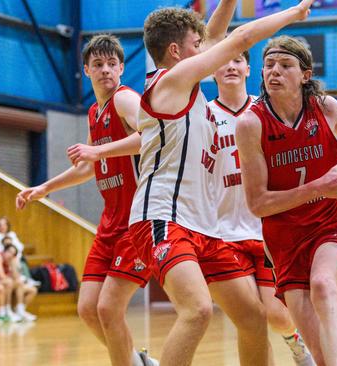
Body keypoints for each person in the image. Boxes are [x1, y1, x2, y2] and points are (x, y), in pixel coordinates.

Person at [129, 2, 314, 365]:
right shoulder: (169, 83)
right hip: (163, 217)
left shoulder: (187, 85)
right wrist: (294, 13)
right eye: (197, 45)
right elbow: (238, 38)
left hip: (205, 228)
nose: (207, 50)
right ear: (176, 52)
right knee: (197, 310)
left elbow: (214, 35)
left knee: (253, 319)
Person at [16, 34, 157, 366]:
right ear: (86, 71)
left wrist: (97, 150)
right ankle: (138, 362)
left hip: (137, 222)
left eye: (112, 64)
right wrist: (44, 188)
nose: (106, 70)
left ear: (122, 68)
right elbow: (89, 167)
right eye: (98, 64)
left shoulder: (124, 99)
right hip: (110, 223)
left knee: (108, 308)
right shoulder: (95, 112)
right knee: (88, 309)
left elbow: (149, 135)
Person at [235, 35, 337, 366]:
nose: (274, 72)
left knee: (325, 285)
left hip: (328, 223)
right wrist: (317, 186)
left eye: (285, 66)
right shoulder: (250, 124)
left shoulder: (324, 108)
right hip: (283, 240)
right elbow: (257, 204)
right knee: (323, 358)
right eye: (269, 65)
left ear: (305, 75)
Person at [209, 50, 313, 366]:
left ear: (248, 68)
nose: (230, 66)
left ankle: (297, 345)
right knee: (251, 319)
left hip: (267, 228)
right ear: (211, 71)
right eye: (223, 61)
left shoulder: (264, 111)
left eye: (237, 60)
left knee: (277, 315)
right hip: (222, 232)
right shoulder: (203, 115)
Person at [0, 243, 37, 322]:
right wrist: (12, 278)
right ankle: (7, 310)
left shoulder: (11, 260)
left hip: (5, 283)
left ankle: (20, 310)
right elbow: (1, 275)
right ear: (4, 251)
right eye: (9, 252)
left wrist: (13, 264)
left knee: (32, 289)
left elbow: (16, 277)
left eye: (13, 254)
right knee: (9, 282)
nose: (10, 255)